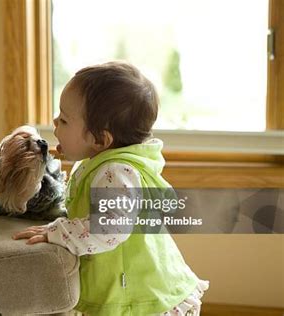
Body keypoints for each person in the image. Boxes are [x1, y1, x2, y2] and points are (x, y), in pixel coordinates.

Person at [12, 61, 209, 316]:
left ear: (100, 139)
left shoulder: (116, 172)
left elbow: (110, 228)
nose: (54, 121)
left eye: (64, 119)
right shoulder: (102, 165)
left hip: (139, 295)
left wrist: (60, 232)